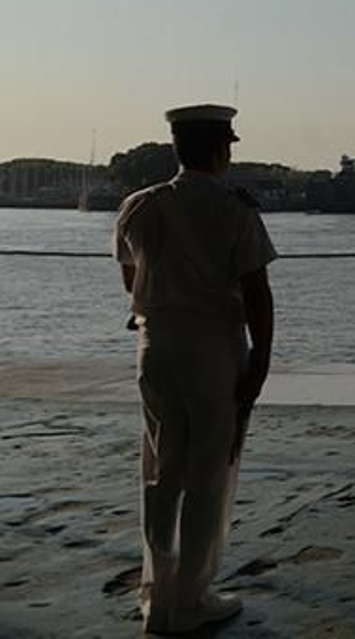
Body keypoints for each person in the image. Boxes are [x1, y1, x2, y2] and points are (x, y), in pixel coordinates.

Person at [114, 103, 276, 634]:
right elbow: (257, 294)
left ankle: (157, 598)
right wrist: (261, 361)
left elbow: (129, 278)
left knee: (161, 471)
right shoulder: (236, 209)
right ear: (218, 148)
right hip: (214, 348)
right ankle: (194, 594)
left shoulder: (138, 206)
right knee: (209, 472)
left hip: (154, 345)